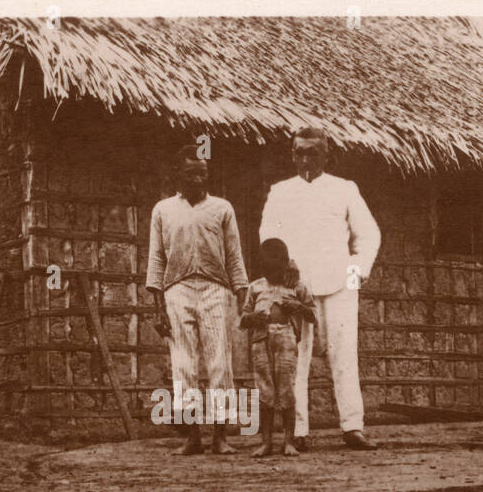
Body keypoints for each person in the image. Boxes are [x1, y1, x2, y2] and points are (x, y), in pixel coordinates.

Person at [259, 126, 381, 450]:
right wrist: (283, 270)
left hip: (340, 284)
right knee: (294, 358)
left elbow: (368, 235)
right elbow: (268, 236)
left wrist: (356, 275)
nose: (305, 159)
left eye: (313, 152)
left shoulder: (345, 189)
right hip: (296, 287)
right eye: (299, 152)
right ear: (292, 155)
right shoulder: (280, 191)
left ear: (327, 154)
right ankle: (297, 431)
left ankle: (352, 426)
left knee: (344, 356)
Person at [146, 146, 249, 455]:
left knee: (220, 363)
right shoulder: (163, 210)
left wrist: (241, 296)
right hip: (176, 291)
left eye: (202, 173)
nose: (197, 179)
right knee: (184, 365)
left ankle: (220, 437)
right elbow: (156, 260)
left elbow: (234, 257)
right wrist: (158, 308)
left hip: (216, 290)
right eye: (190, 173)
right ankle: (193, 438)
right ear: (179, 175)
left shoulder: (222, 209)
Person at [240, 239, 314, 457]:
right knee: (265, 391)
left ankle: (289, 441)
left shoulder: (296, 286)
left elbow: (312, 314)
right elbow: (243, 319)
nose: (273, 275)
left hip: (286, 340)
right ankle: (266, 442)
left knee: (286, 391)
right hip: (261, 341)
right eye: (268, 270)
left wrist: (298, 306)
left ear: (285, 265)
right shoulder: (255, 287)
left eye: (277, 270)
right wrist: (254, 317)